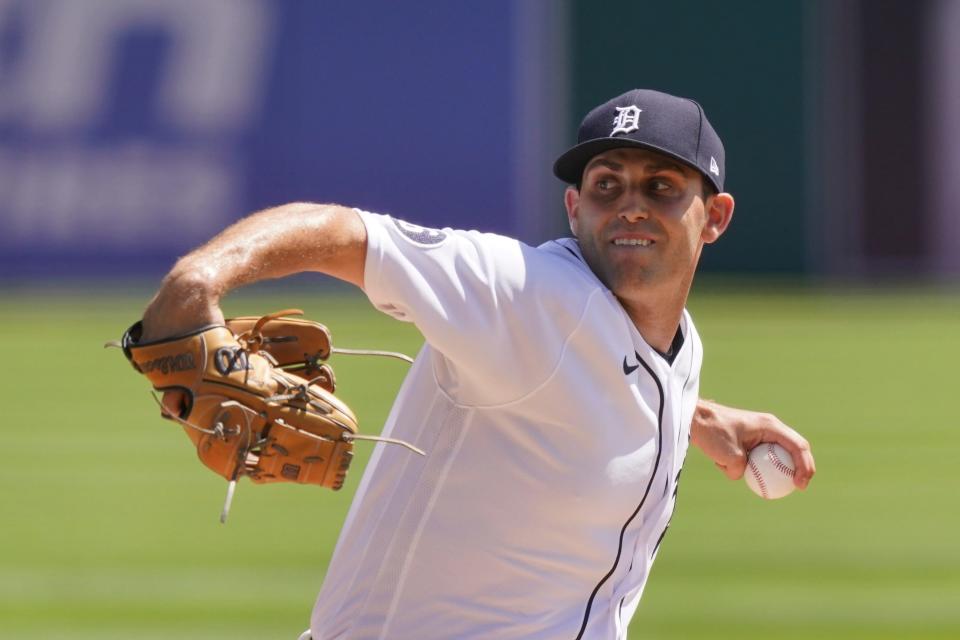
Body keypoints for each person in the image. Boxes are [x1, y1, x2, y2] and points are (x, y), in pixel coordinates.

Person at [140, 88, 815, 639]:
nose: (630, 204)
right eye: (607, 185)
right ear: (575, 208)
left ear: (715, 216)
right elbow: (343, 232)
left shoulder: (675, 342)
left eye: (662, 186)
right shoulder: (525, 292)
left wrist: (697, 419)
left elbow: (612, 380)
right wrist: (198, 279)